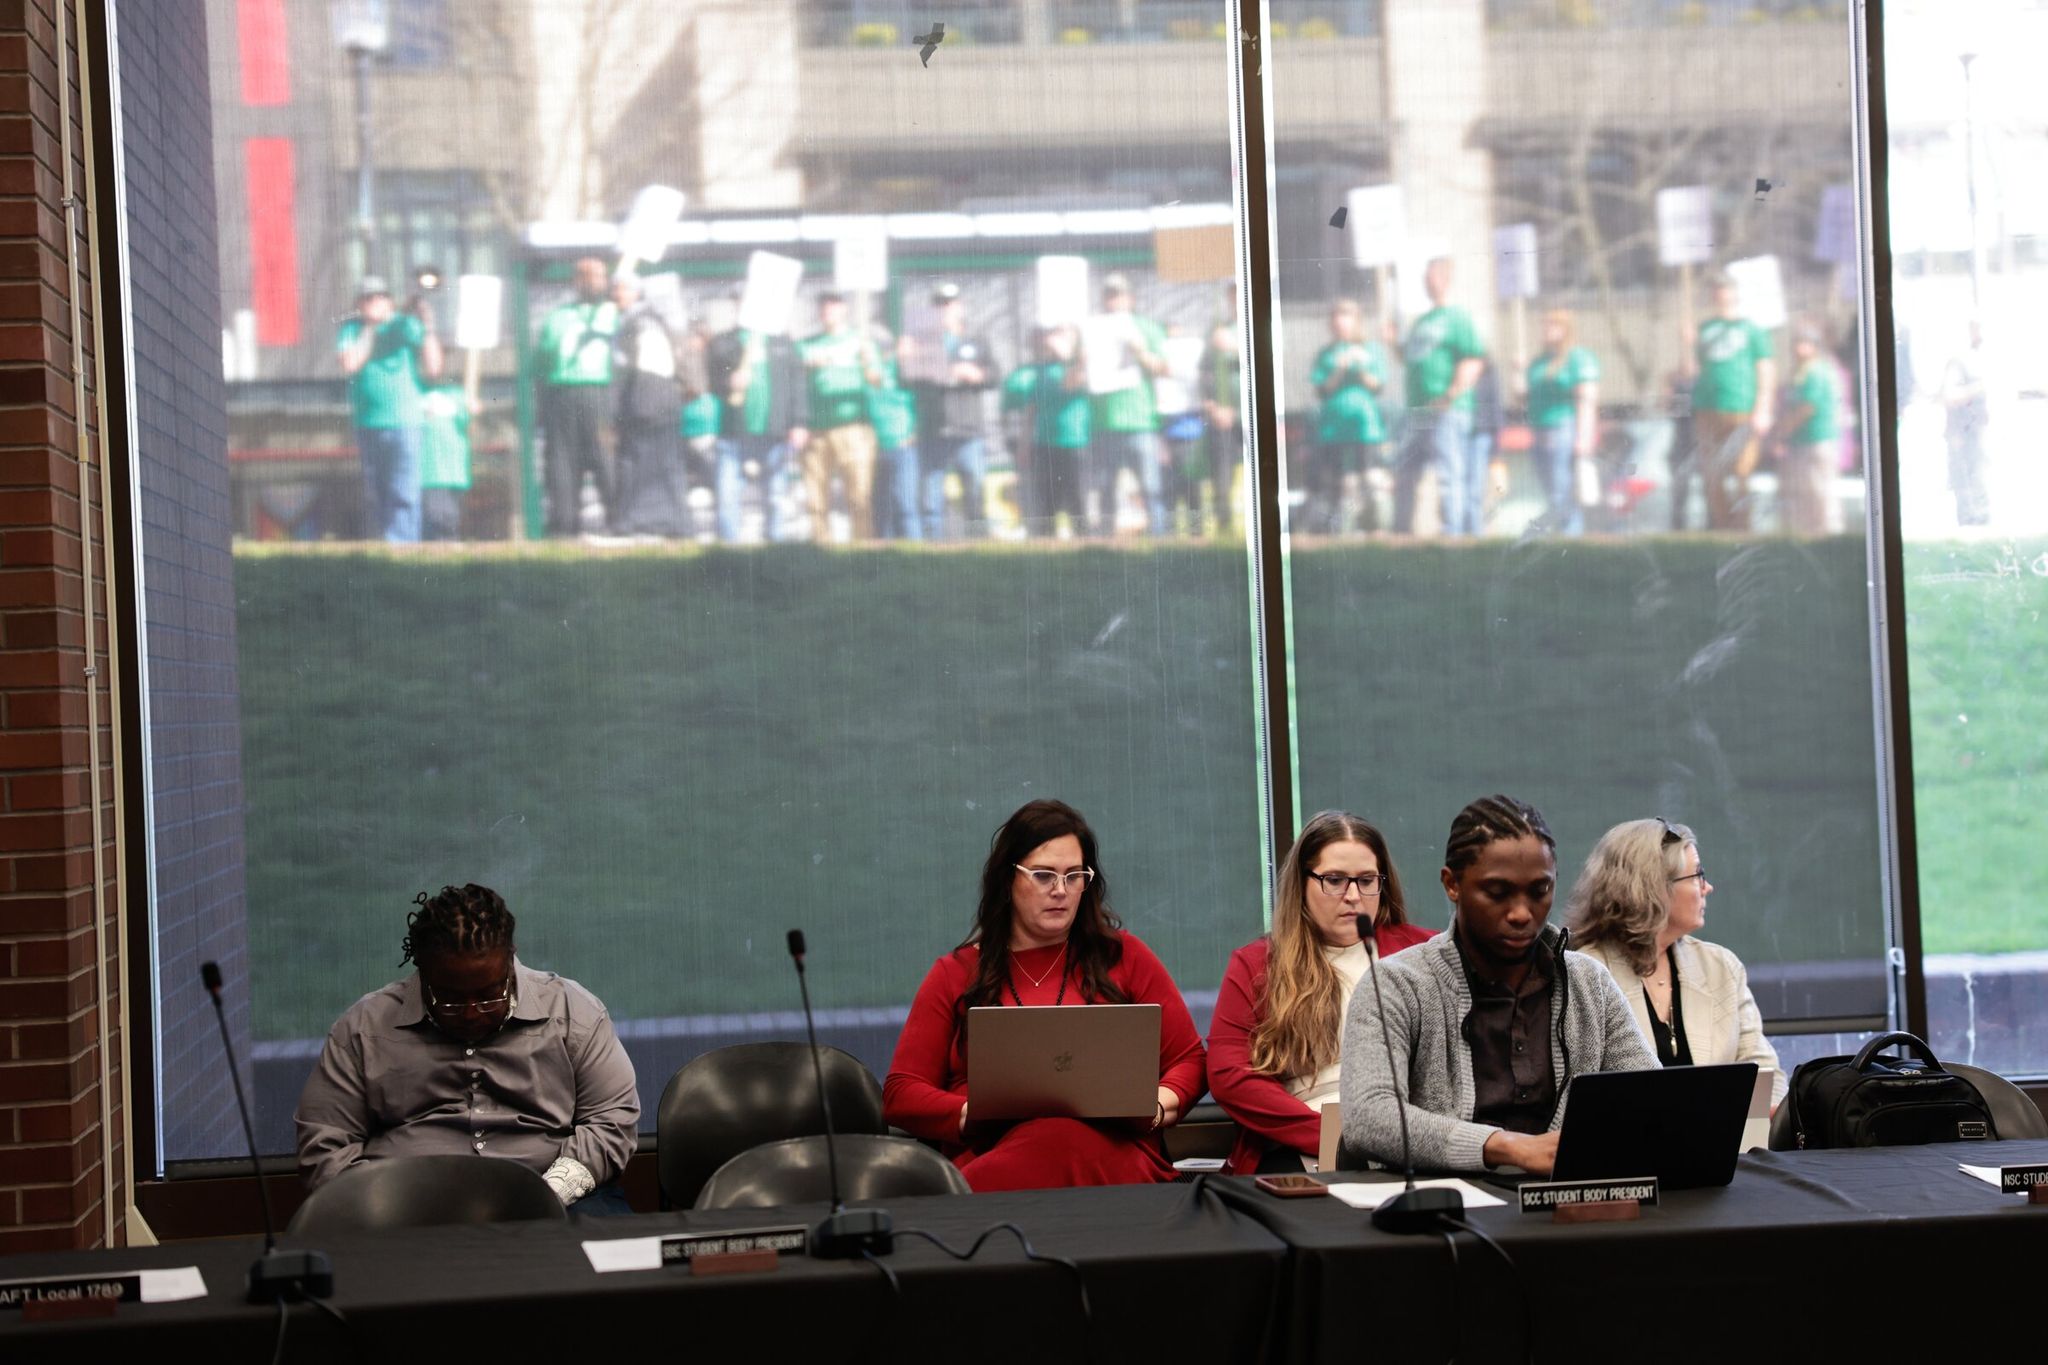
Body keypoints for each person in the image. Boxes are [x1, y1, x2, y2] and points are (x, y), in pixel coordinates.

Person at [883, 799, 1207, 1191]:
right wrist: (973, 1112)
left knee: (1065, 1141)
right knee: (1047, 1144)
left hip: (1114, 1157)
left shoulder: (1124, 957)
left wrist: (1155, 1107)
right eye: (1043, 875)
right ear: (1007, 879)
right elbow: (901, 1093)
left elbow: (1189, 1059)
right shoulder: (956, 973)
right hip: (997, 1155)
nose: (1060, 891)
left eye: (1074, 876)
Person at [1338, 795, 1655, 1177]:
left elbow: (1650, 1098)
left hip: (1564, 1205)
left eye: (1539, 891)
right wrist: (1505, 1147)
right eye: (1498, 893)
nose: (1522, 913)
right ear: (1452, 884)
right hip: (1446, 1210)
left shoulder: (1589, 983)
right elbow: (1368, 1118)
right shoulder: (1396, 983)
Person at [295, 884, 640, 1214]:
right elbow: (326, 1145)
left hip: (557, 1195)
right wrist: (388, 1206)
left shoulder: (573, 1012)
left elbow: (611, 1121)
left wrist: (548, 1195)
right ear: (423, 972)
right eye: (451, 1000)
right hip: (401, 1208)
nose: (473, 1013)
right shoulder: (363, 1029)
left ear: (510, 958)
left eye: (490, 995)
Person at [1208, 811, 1434, 1175]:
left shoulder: (1425, 952)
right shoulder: (1258, 965)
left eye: (1366, 880)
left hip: (1414, 1135)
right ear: (1302, 883)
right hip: (1305, 1140)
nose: (1353, 896)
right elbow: (1231, 1076)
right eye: (1334, 880)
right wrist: (1334, 1139)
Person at [1566, 818, 1787, 1109]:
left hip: (1730, 1149)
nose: (1707, 887)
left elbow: (1766, 1075)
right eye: (1697, 875)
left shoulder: (1722, 967)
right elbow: (1576, 1097)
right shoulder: (1584, 974)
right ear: (1654, 888)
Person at [337, 276, 439, 542]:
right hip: (369, 422)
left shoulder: (404, 325)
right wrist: (370, 328)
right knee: (377, 489)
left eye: (380, 297)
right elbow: (350, 364)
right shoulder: (351, 330)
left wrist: (426, 325)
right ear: (359, 304)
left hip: (406, 420)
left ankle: (404, 545)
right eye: (368, 298)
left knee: (404, 487)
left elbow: (434, 367)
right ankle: (387, 542)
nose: (374, 303)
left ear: (389, 301)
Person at [1393, 257, 1485, 536]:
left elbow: (1472, 358)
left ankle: (1452, 533)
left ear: (1444, 279)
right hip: (1417, 410)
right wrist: (1391, 343)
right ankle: (1401, 530)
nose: (1425, 281)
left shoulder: (1457, 317)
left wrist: (1452, 393)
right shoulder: (1420, 321)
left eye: (1430, 275)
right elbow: (1410, 359)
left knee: (1449, 474)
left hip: (1447, 410)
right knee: (1405, 471)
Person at [705, 292, 808, 544]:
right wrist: (728, 381)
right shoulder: (722, 343)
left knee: (775, 496)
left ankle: (775, 547)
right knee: (727, 495)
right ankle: (729, 551)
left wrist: (799, 422)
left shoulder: (781, 342)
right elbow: (712, 380)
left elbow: (797, 385)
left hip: (773, 434)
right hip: (733, 435)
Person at [1684, 272, 1775, 532]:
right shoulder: (1705, 329)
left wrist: (1763, 407)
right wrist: (1688, 345)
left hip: (1742, 407)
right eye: (1717, 290)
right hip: (1708, 406)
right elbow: (1691, 370)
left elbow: (1765, 368)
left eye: (1725, 290)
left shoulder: (1752, 330)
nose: (1721, 295)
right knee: (1712, 473)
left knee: (1742, 470)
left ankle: (1744, 527)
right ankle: (1723, 527)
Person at [536, 257, 618, 535]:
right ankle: (565, 526)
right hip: (564, 393)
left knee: (605, 458)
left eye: (602, 276)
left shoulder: (612, 312)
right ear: (578, 281)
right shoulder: (558, 316)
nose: (598, 282)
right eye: (592, 276)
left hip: (599, 393)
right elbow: (545, 357)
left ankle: (617, 522)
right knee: (562, 462)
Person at [608, 273, 693, 538]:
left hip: (646, 404)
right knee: (665, 466)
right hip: (658, 403)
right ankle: (672, 523)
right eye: (615, 289)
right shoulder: (649, 321)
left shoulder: (640, 324)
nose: (617, 295)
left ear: (636, 292)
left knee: (645, 464)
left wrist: (632, 409)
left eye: (622, 289)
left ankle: (642, 522)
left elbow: (644, 366)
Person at [1085, 274, 1170, 536]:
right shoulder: (1093, 329)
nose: (1114, 301)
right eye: (1109, 295)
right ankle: (1108, 544)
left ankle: (1160, 542)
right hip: (1104, 421)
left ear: (1130, 299)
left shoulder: (1146, 327)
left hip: (1140, 420)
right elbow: (1073, 379)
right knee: (1105, 487)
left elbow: (1165, 368)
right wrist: (1081, 361)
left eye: (1119, 295)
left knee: (1151, 487)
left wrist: (1141, 351)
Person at [797, 290, 884, 542]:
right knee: (816, 499)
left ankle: (862, 552)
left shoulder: (862, 342)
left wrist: (868, 363)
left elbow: (877, 381)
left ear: (844, 308)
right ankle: (822, 552)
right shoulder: (807, 345)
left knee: (859, 495)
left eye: (834, 305)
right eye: (823, 305)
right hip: (816, 430)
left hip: (854, 429)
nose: (828, 310)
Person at [914, 283, 995, 539]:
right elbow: (913, 375)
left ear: (960, 306)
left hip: (968, 429)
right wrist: (947, 371)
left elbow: (995, 375)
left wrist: (977, 374)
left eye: (950, 304)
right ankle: (932, 552)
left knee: (974, 489)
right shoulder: (923, 342)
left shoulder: (976, 339)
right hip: (934, 429)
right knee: (930, 495)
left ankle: (980, 547)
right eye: (940, 305)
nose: (945, 310)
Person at [1308, 299, 1386, 535]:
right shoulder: (1326, 354)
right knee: (1337, 481)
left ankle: (1373, 528)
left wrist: (1361, 367)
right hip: (1333, 430)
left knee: (1368, 480)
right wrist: (1339, 369)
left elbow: (1377, 385)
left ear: (1356, 320)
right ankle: (1337, 531)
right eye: (1337, 317)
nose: (1341, 322)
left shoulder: (1371, 349)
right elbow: (1321, 389)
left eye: (1347, 316)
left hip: (1364, 428)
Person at [1008, 325, 1090, 538]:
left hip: (1075, 442)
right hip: (1044, 443)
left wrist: (1071, 357)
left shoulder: (1079, 367)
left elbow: (1071, 384)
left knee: (1077, 498)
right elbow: (1031, 410)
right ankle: (1047, 544)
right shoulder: (1042, 371)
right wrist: (1024, 445)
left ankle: (1085, 544)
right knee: (1046, 500)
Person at [1523, 308, 1599, 536]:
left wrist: (1583, 437)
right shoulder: (1539, 362)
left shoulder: (1577, 358)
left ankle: (1570, 537)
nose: (1546, 330)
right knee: (1552, 491)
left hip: (1563, 429)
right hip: (1539, 429)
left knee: (1562, 490)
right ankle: (1565, 535)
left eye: (1552, 325)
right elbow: (1524, 396)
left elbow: (1587, 398)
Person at [1771, 322, 1843, 535]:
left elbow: (1807, 407)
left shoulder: (1818, 371)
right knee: (1803, 492)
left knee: (1820, 491)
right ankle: (1808, 533)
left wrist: (1783, 430)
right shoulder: (1799, 372)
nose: (1798, 348)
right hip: (1800, 441)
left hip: (1816, 440)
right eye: (1796, 342)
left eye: (1805, 343)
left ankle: (1828, 534)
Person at [869, 333, 922, 541]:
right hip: (873, 449)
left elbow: (923, 408)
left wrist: (914, 434)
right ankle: (885, 558)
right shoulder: (873, 372)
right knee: (880, 508)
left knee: (905, 504)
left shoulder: (912, 375)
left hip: (903, 447)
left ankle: (915, 557)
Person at [1939, 318, 1990, 527]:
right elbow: (1949, 396)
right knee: (1970, 501)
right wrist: (1978, 388)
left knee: (1980, 496)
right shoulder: (1959, 361)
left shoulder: (1977, 358)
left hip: (1975, 438)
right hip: (1963, 439)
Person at [1198, 318, 1241, 535]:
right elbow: (1202, 384)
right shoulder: (1209, 356)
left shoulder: (1243, 347)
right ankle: (1225, 526)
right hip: (1220, 422)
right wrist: (1214, 410)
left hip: (1249, 421)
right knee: (1222, 476)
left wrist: (1234, 346)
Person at [417, 377, 473, 541]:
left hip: (454, 474)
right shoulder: (415, 394)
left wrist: (471, 409)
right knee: (437, 520)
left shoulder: (460, 395)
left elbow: (469, 424)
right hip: (429, 474)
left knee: (448, 521)